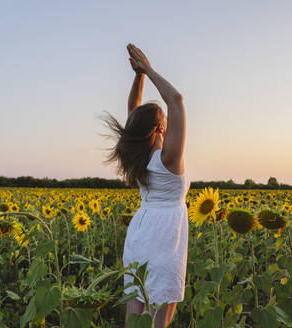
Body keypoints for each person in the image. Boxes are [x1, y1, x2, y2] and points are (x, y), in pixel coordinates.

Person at [100, 43, 189, 328]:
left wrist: (138, 75)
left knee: (135, 309)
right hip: (166, 236)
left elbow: (133, 110)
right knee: (160, 314)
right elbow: (175, 99)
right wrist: (148, 70)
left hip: (140, 231)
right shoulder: (169, 160)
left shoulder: (135, 156)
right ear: (162, 129)